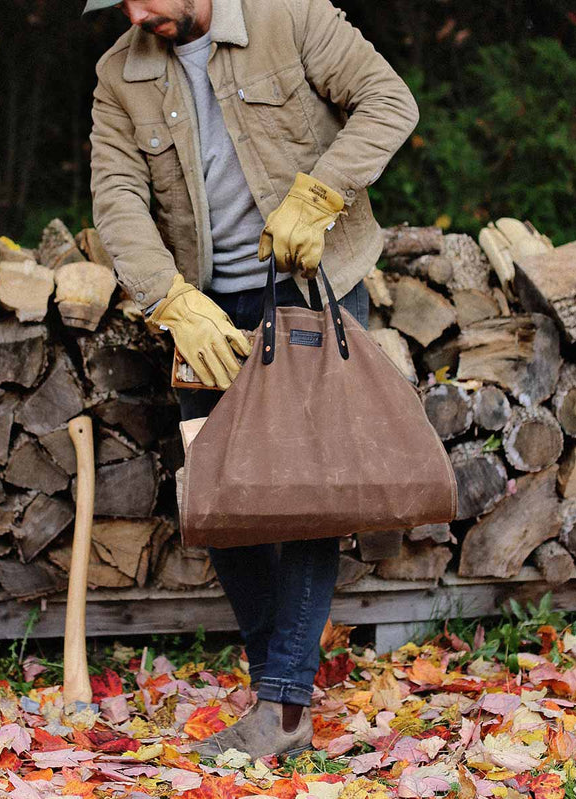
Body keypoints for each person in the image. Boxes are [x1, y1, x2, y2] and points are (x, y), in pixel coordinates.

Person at [85, 0, 418, 758]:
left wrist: (320, 193)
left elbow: (391, 99)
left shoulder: (291, 15)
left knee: (310, 497)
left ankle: (283, 708)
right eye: (122, 2)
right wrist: (168, 299)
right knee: (221, 498)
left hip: (308, 289)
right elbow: (118, 198)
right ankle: (280, 687)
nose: (138, 13)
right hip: (205, 310)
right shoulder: (118, 74)